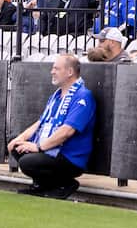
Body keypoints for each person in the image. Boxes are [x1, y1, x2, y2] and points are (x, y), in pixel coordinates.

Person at [8, 53, 96, 200]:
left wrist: (38, 147)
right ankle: (42, 186)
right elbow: (41, 122)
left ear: (69, 72)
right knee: (16, 144)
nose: (52, 72)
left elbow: (67, 131)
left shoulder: (82, 96)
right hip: (52, 151)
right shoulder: (56, 96)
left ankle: (65, 184)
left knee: (27, 162)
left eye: (56, 68)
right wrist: (21, 138)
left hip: (69, 156)